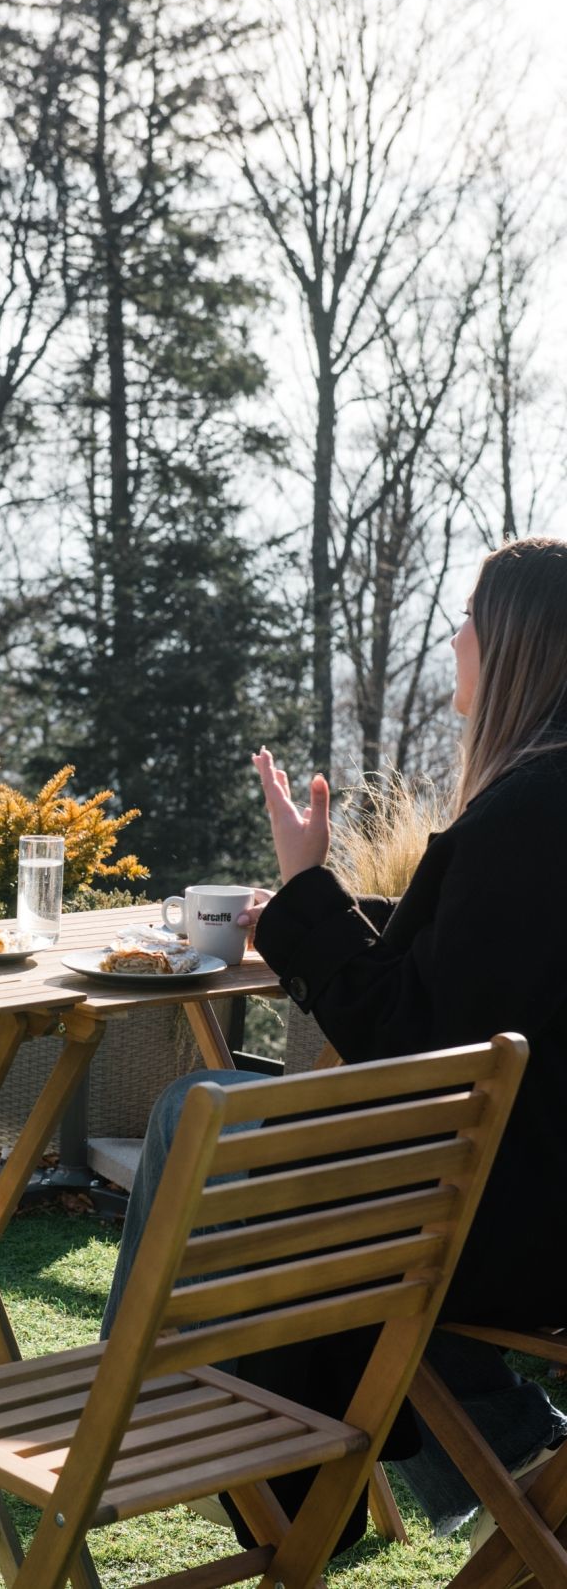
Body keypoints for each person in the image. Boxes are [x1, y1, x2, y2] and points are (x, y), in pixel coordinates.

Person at [102, 534, 567, 1551]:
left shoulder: (530, 813)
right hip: (530, 1185)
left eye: (469, 623)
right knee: (238, 1126)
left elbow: (416, 1045)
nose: (456, 641)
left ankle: (148, 1412)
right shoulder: (539, 808)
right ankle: (483, 1442)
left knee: (202, 1114)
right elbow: (474, 967)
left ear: (517, 646)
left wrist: (307, 892)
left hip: (511, 1220)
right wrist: (320, 895)